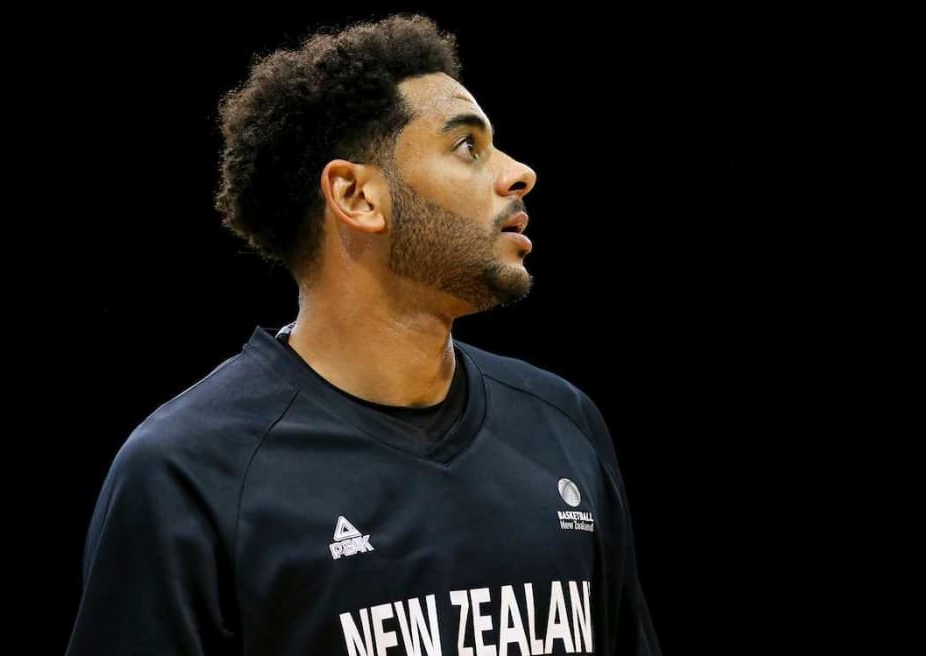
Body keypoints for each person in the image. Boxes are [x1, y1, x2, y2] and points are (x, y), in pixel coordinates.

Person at [66, 12, 661, 655]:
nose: (519, 173)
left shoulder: (565, 421)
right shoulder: (185, 472)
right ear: (356, 196)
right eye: (468, 146)